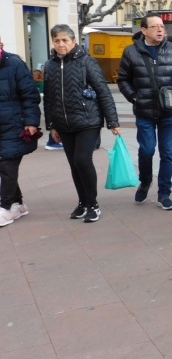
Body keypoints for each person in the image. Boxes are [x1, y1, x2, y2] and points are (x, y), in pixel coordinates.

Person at [43, 25, 121, 222]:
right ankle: (82, 202)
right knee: (74, 164)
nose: (60, 44)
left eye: (64, 40)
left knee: (82, 160)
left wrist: (112, 121)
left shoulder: (87, 62)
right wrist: (51, 125)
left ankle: (93, 204)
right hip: (64, 123)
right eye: (57, 41)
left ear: (73, 41)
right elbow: (49, 98)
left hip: (88, 120)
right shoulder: (50, 65)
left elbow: (103, 91)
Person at [117, 12, 172, 210]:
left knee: (167, 154)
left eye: (162, 26)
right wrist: (134, 97)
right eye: (155, 26)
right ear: (144, 30)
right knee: (147, 151)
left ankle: (164, 193)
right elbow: (122, 79)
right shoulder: (131, 52)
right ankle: (145, 181)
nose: (160, 29)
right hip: (144, 113)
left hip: (168, 113)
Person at [0, 35, 41, 226]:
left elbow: (30, 95)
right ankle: (18, 204)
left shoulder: (15, 64)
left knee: (8, 165)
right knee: (4, 165)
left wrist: (31, 122)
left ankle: (5, 207)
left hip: (14, 124)